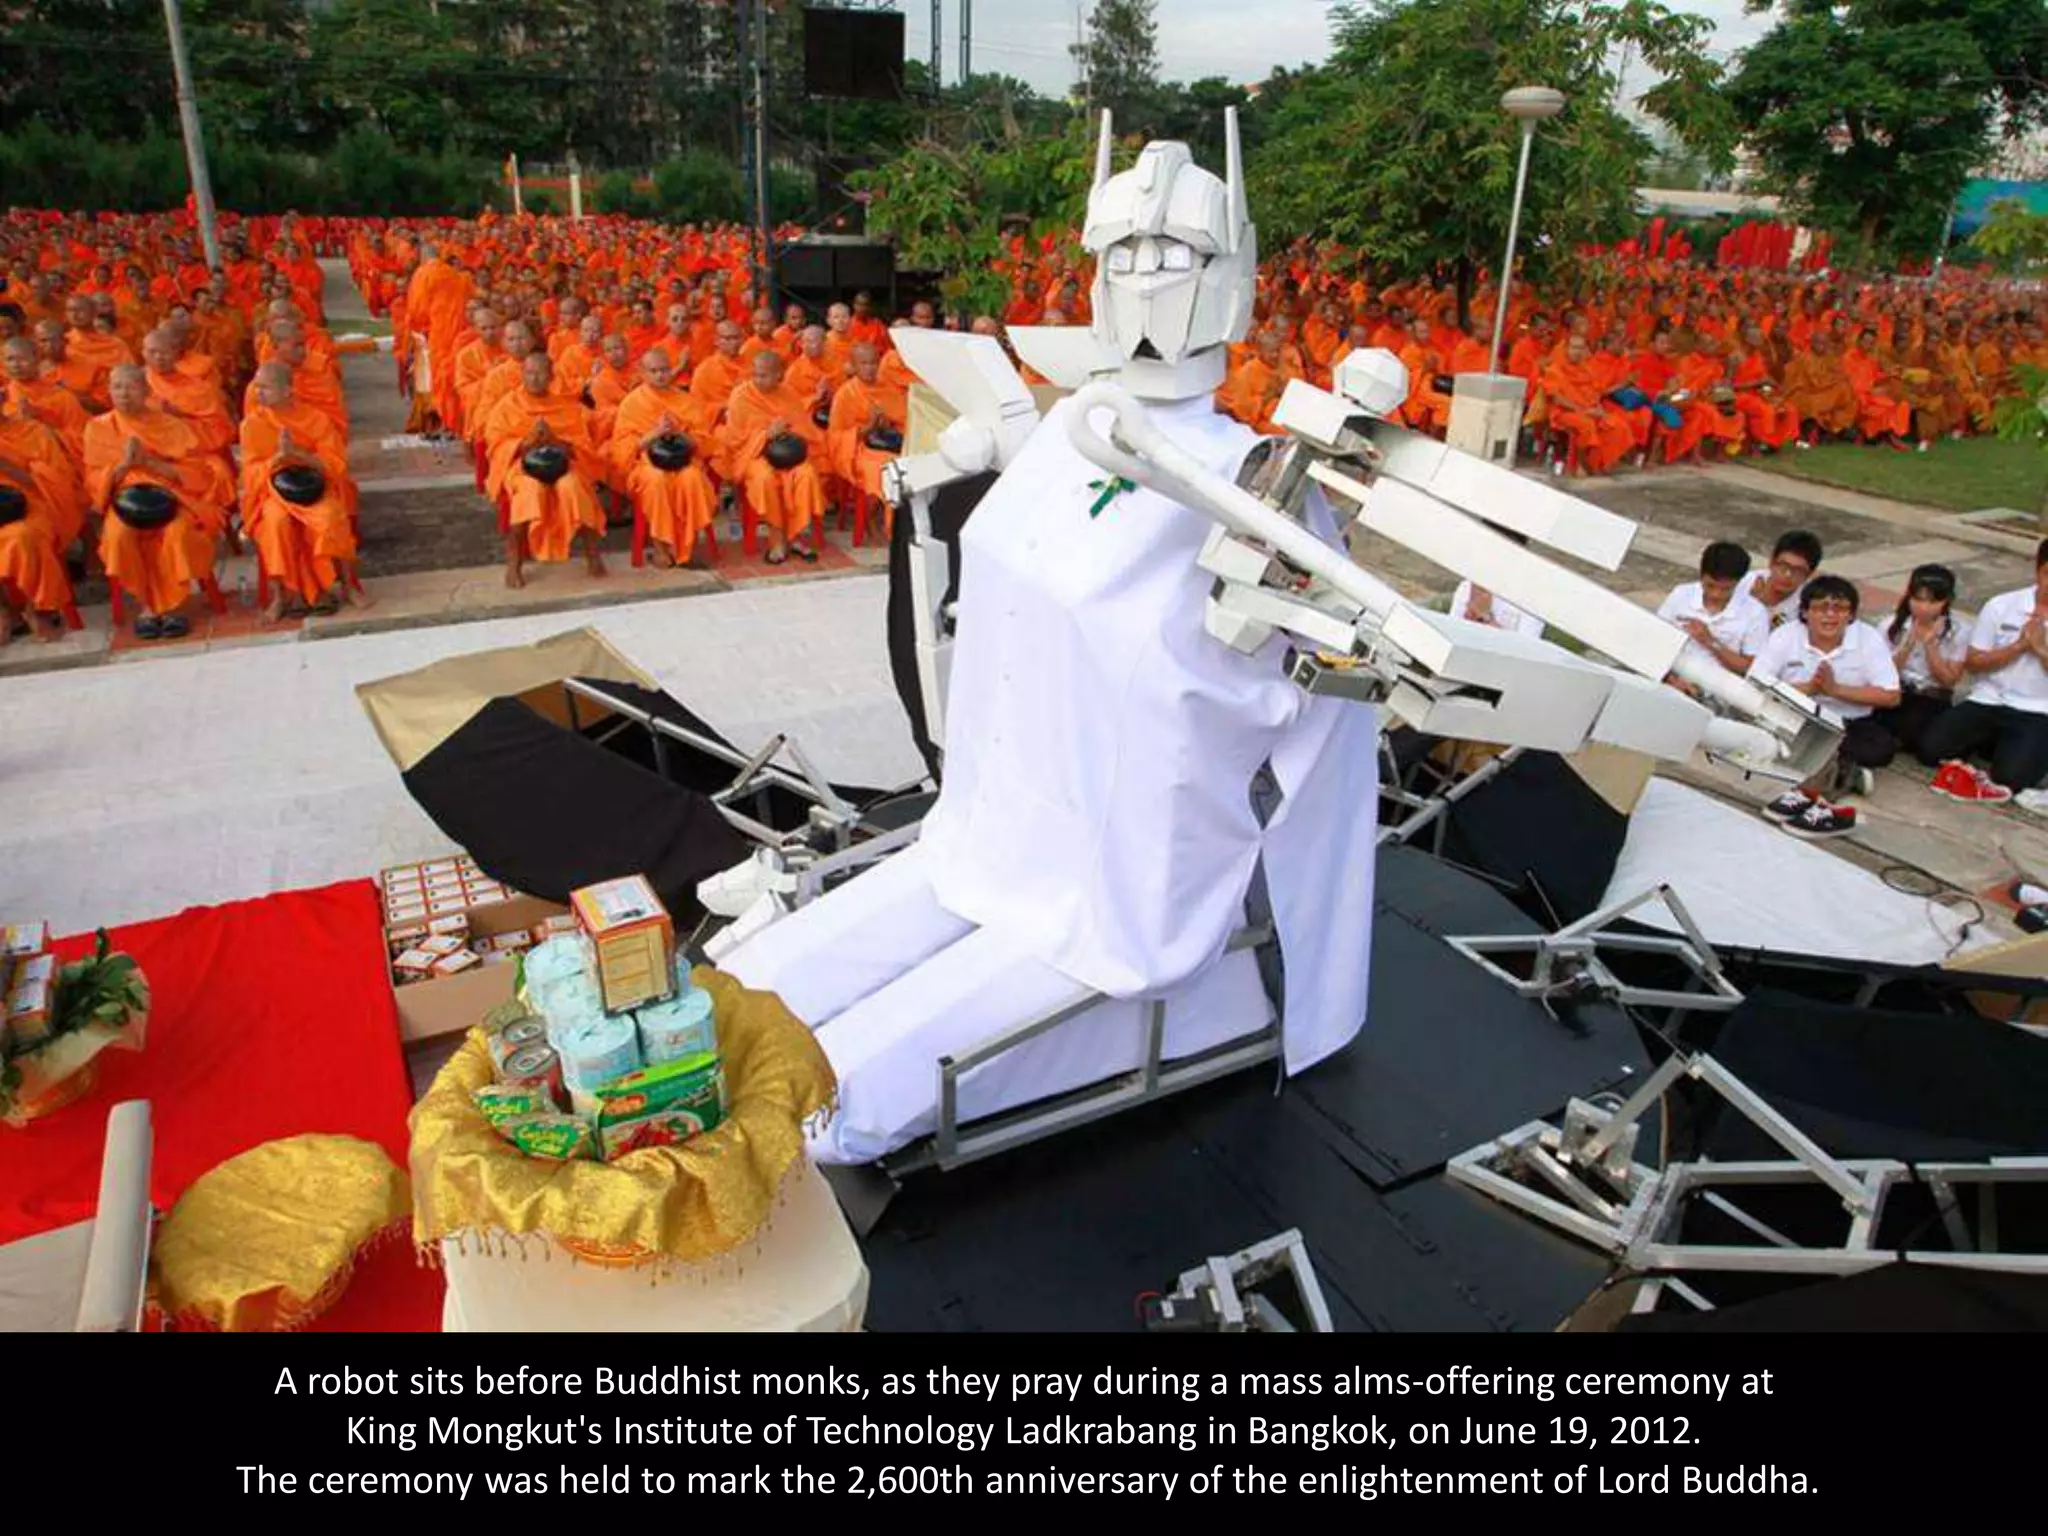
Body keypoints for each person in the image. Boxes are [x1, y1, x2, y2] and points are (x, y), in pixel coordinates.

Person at [1753, 575, 1902, 838]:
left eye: (1840, 609)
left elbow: (1891, 696)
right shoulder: (1785, 635)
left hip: (1848, 722)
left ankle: (1821, 787)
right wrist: (1809, 689)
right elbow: (1756, 684)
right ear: (1805, 612)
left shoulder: (1868, 639)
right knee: (1767, 735)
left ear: (1851, 615)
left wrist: (1836, 691)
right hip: (1798, 715)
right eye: (1821, 607)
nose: (1830, 616)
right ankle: (1831, 784)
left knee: (1880, 746)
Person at [83, 364, 219, 639]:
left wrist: (149, 463)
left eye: (131, 387)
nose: (124, 394)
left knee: (178, 531)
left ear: (146, 391)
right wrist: (123, 466)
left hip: (173, 499)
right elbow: (93, 479)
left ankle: (174, 606)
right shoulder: (98, 428)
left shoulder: (169, 425)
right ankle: (148, 606)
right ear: (109, 392)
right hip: (125, 503)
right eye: (117, 387)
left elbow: (195, 473)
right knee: (120, 536)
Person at [1918, 539, 2048, 802]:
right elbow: (1974, 662)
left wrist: (2040, 650)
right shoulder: (2002, 605)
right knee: (1930, 750)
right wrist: (2019, 646)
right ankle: (1993, 744)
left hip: (2037, 709)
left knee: (2012, 779)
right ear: (2038, 570)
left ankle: (2009, 750)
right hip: (1988, 699)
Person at [239, 362, 367, 621]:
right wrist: (277, 459)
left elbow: (335, 465)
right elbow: (249, 474)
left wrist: (298, 455)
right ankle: (280, 595)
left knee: (331, 517)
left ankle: (347, 585)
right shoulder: (252, 424)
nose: (257, 393)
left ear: (287, 391)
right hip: (274, 492)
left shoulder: (315, 419)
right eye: (256, 387)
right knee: (275, 523)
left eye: (265, 387)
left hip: (314, 487)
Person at [484, 351, 607, 589]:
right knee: (530, 491)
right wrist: (524, 444)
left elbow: (583, 447)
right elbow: (496, 444)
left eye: (541, 373)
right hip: (522, 466)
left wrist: (556, 440)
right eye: (529, 373)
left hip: (564, 464)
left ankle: (592, 553)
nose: (535, 379)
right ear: (522, 375)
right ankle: (514, 562)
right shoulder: (508, 405)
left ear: (551, 376)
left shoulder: (566, 405)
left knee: (573, 486)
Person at [608, 346, 718, 569]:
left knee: (692, 479)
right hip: (646, 466)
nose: (660, 375)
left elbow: (704, 443)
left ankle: (686, 548)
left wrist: (679, 432)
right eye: (654, 371)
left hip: (683, 462)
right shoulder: (632, 403)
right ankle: (660, 548)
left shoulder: (687, 401)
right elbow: (623, 450)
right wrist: (653, 435)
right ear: (643, 373)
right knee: (656, 481)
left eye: (665, 370)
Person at [721, 348, 827, 565]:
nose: (759, 380)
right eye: (756, 374)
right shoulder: (741, 395)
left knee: (806, 474)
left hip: (788, 453)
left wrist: (787, 431)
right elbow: (734, 440)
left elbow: (804, 428)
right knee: (764, 478)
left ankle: (795, 536)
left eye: (765, 375)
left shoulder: (788, 393)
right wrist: (766, 435)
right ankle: (777, 540)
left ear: (779, 374)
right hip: (755, 456)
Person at [1865, 563, 1967, 762]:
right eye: (1918, 600)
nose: (1924, 608)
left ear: (1946, 601)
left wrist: (1930, 645)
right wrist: (1909, 642)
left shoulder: (1959, 631)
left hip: (1931, 698)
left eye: (1932, 602)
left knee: (1931, 748)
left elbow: (1948, 681)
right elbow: (1882, 674)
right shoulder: (1890, 625)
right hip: (1897, 692)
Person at [1656, 540, 1769, 678]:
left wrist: (1710, 642)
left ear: (1739, 582)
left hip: (1720, 685)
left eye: (1725, 589)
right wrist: (1670, 679)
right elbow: (1656, 639)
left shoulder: (1755, 612)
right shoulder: (1681, 594)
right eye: (1710, 585)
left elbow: (1750, 668)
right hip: (1674, 675)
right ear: (1701, 575)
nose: (1716, 594)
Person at [1739, 530, 1822, 631]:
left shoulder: (1808, 605)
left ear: (1809, 574)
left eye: (1798, 570)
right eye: (1783, 566)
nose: (1788, 575)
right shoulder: (1744, 583)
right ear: (1771, 562)